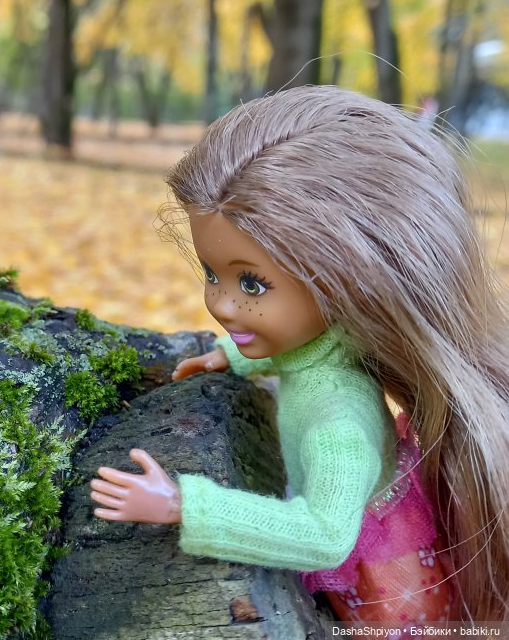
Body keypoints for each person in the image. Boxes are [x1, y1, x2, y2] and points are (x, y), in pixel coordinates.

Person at [90, 86, 509, 623]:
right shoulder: (334, 346)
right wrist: (236, 355)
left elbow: (324, 537)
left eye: (252, 284)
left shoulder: (340, 424)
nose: (220, 302)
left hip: (385, 599)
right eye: (212, 274)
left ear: (348, 284)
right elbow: (316, 350)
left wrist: (182, 505)